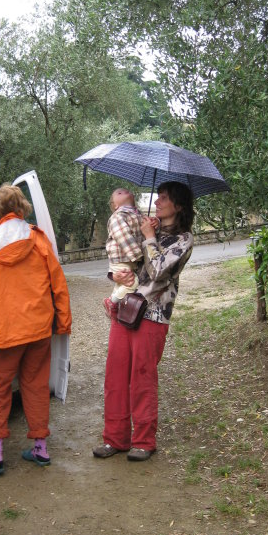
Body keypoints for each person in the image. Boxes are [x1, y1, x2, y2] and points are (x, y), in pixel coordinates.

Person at [0, 184, 72, 476]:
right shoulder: (37, 239)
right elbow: (58, 283)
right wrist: (62, 322)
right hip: (38, 329)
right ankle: (40, 447)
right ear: (22, 208)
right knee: (36, 386)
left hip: (4, 333)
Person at [93, 181, 194, 462]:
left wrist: (149, 237)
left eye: (164, 198)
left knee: (142, 377)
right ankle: (115, 438)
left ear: (179, 206)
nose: (157, 201)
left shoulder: (184, 240)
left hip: (153, 314)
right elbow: (123, 256)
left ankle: (144, 441)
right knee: (115, 375)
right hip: (125, 309)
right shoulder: (147, 226)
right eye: (158, 196)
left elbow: (158, 271)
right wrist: (115, 275)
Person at [103, 188, 159, 318]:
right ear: (115, 205)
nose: (124, 191)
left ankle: (115, 308)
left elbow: (148, 230)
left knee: (122, 284)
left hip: (129, 259)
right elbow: (123, 237)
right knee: (131, 283)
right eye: (119, 193)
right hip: (122, 258)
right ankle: (111, 302)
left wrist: (155, 223)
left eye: (126, 190)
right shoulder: (118, 216)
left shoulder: (138, 214)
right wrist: (138, 256)